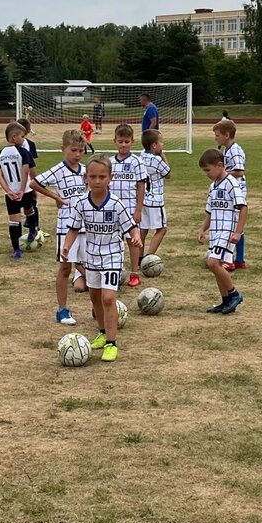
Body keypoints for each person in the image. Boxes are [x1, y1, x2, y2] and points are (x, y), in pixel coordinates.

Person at [63, 154, 141, 363]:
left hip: (112, 256)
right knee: (95, 297)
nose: (97, 181)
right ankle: (102, 331)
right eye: (93, 176)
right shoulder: (81, 203)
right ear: (86, 177)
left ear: (110, 178)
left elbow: (131, 227)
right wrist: (67, 246)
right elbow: (73, 228)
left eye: (102, 177)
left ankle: (111, 343)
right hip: (91, 258)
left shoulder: (116, 204)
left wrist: (135, 237)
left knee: (108, 298)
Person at [32, 129, 89, 325]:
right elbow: (34, 183)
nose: (77, 154)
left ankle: (97, 307)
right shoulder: (58, 170)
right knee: (65, 268)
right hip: (66, 226)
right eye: (73, 150)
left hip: (85, 226)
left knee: (90, 267)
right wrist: (56, 197)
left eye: (81, 150)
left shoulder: (85, 170)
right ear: (63, 149)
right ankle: (62, 310)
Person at [197, 148, 246, 314]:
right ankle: (225, 301)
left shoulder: (231, 183)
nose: (206, 174)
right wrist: (203, 229)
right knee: (215, 265)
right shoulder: (213, 187)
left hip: (227, 231)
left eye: (208, 170)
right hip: (216, 232)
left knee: (212, 263)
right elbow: (210, 212)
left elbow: (243, 207)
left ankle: (234, 294)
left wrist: (238, 232)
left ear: (219, 165)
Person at [109, 123, 147, 287]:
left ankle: (134, 273)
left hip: (130, 209)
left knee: (132, 241)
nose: (123, 145)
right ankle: (114, 270)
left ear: (132, 141)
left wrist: (138, 209)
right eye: (120, 141)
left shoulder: (137, 162)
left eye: (126, 141)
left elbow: (141, 186)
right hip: (112, 210)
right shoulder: (109, 162)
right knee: (114, 241)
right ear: (115, 141)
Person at [212, 119, 247, 271]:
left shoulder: (234, 150)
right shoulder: (227, 150)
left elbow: (239, 171)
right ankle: (238, 260)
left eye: (217, 135)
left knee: (232, 225)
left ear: (226, 135)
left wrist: (222, 173)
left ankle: (231, 260)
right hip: (231, 190)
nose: (215, 138)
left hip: (236, 191)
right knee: (233, 224)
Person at [0, 122, 33, 259]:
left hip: (10, 193)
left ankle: (16, 250)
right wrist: (22, 190)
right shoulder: (23, 152)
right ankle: (33, 231)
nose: (23, 139)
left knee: (14, 220)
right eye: (22, 137)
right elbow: (25, 172)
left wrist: (8, 190)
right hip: (25, 190)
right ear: (14, 137)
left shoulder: (0, 154)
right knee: (29, 210)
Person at [139, 128, 170, 261]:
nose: (162, 145)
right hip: (155, 200)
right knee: (162, 229)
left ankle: (139, 257)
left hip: (143, 199)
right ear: (154, 145)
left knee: (143, 229)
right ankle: (149, 257)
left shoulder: (141, 156)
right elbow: (168, 174)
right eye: (160, 142)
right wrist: (162, 155)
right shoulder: (156, 160)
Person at [17, 118, 44, 248]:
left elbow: (32, 165)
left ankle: (35, 228)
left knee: (32, 204)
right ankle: (19, 229)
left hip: (27, 181)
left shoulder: (30, 145)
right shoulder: (11, 147)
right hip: (17, 182)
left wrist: (34, 182)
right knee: (21, 206)